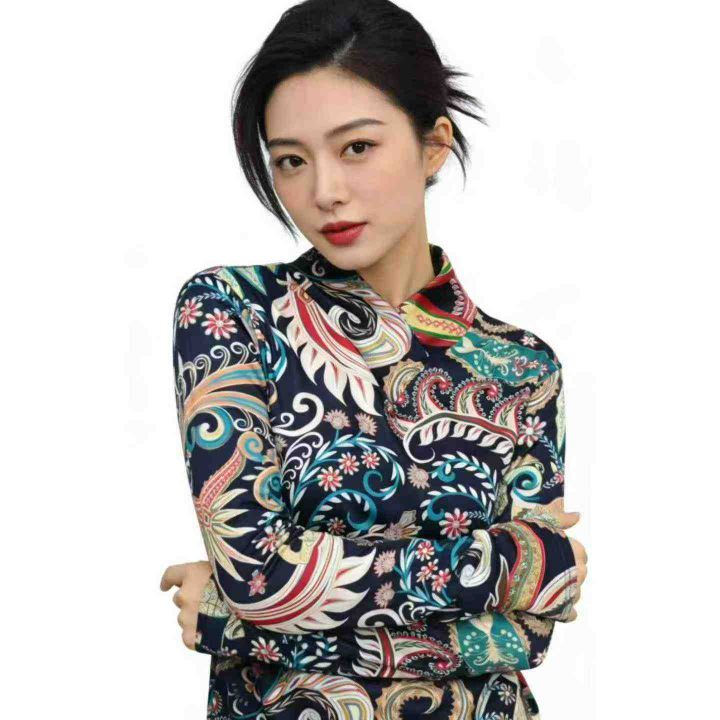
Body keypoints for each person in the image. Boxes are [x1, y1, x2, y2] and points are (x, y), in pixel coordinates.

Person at [160, 1, 588, 717]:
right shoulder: (233, 311)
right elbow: (260, 577)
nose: (324, 191)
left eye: (356, 147)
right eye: (291, 161)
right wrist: (512, 562)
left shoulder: (522, 367)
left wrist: (228, 625)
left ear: (434, 145)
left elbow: (527, 636)